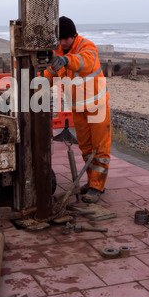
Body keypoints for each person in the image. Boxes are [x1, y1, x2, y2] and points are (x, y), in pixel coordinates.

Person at [44, 16, 111, 203]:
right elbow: (49, 72)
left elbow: (84, 62)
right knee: (86, 148)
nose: (63, 42)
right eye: (60, 39)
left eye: (67, 38)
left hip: (97, 106)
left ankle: (97, 187)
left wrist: (66, 60)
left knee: (100, 148)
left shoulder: (87, 47)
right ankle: (92, 182)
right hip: (78, 107)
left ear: (74, 35)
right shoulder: (57, 51)